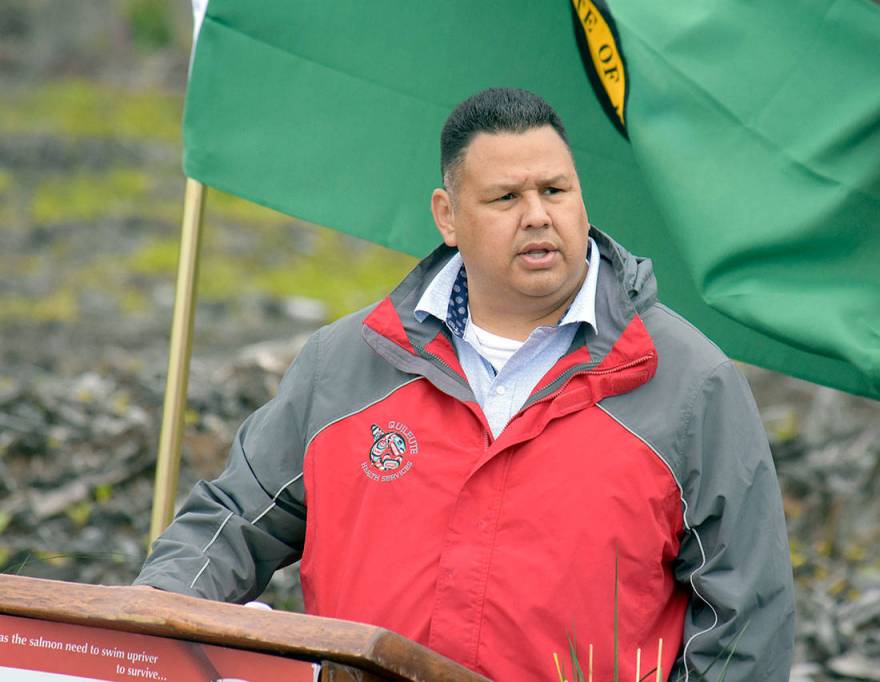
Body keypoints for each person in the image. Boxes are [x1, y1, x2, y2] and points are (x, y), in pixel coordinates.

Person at [136, 88, 794, 681]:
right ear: (447, 216)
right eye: (506, 198)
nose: (537, 216)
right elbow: (229, 523)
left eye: (555, 191)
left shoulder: (689, 380)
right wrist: (148, 621)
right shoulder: (344, 364)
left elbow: (746, 620)